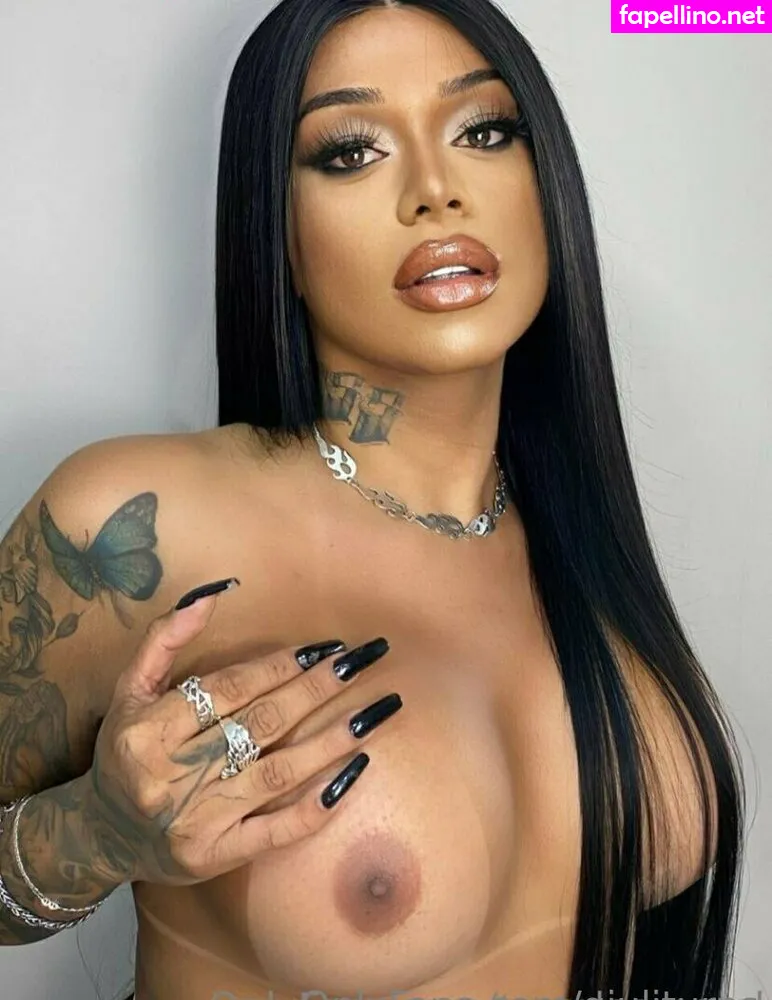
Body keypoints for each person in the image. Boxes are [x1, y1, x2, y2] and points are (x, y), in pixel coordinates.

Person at [0, 1, 746, 998]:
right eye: (351, 152)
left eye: (484, 131)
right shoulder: (134, 521)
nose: (437, 191)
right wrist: (91, 832)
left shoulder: (582, 540)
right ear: (278, 231)